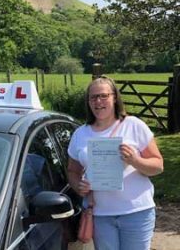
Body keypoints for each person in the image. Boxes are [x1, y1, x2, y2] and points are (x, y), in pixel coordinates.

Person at [67, 76, 164, 250]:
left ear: (115, 97)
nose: (98, 101)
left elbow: (158, 165)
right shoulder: (80, 134)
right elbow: (73, 171)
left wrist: (135, 160)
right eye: (93, 97)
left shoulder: (134, 125)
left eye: (104, 96)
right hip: (99, 214)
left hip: (136, 213)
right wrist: (78, 186)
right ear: (88, 101)